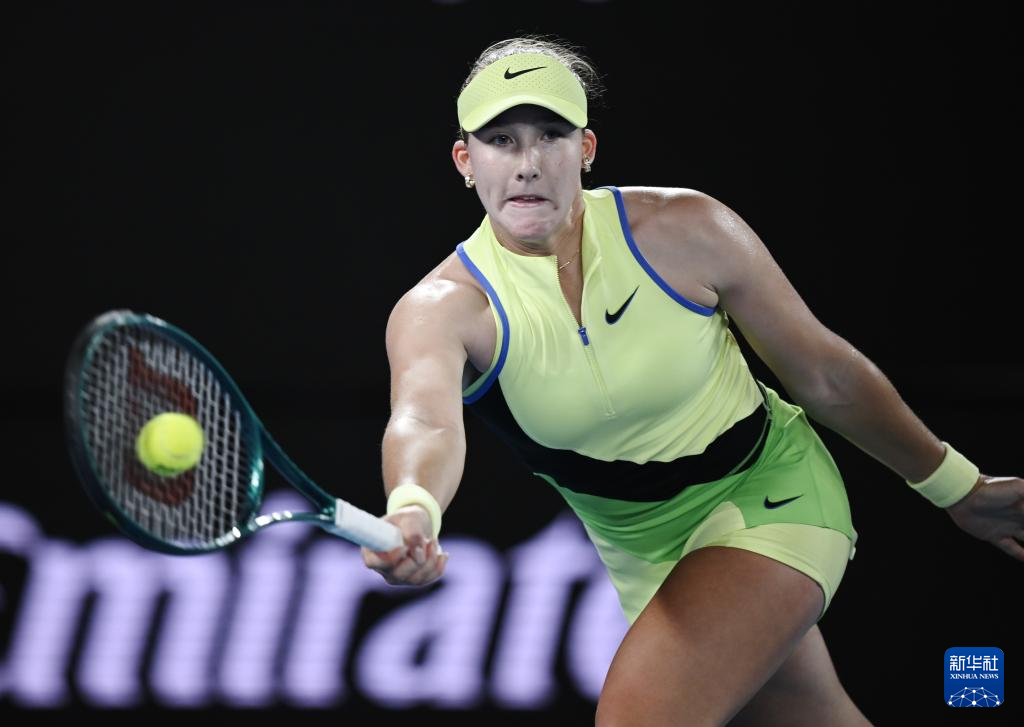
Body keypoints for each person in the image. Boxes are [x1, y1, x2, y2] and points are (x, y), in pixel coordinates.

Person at [361, 36, 1024, 726]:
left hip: (773, 494)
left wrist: (959, 486)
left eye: (550, 136)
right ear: (466, 162)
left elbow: (823, 374)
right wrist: (414, 508)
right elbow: (425, 421)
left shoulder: (684, 229)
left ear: (586, 149)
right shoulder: (442, 307)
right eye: (501, 140)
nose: (527, 163)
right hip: (644, 556)